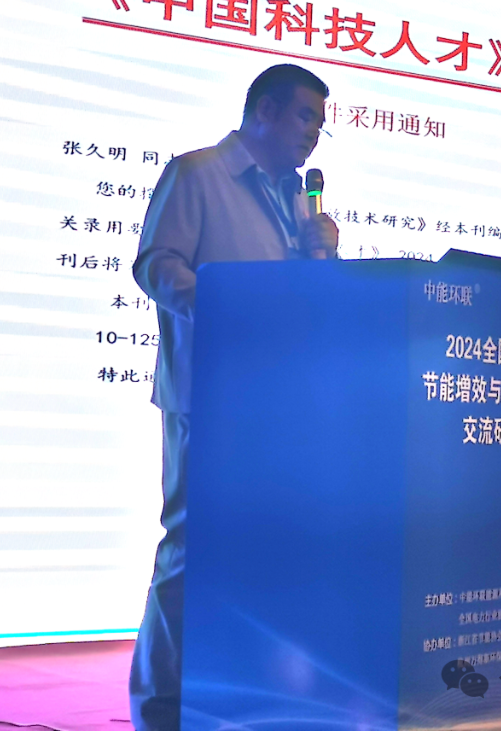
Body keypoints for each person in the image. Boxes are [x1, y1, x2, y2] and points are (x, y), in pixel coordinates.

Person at [128, 63, 339, 731]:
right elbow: (155, 265)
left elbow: (307, 303)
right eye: (305, 118)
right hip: (206, 396)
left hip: (274, 406)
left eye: (320, 126)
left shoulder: (293, 200)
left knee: (260, 553)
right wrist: (230, 306)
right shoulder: (197, 174)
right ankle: (161, 708)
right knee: (191, 552)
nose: (313, 136)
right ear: (264, 111)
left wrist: (325, 255)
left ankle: (233, 697)